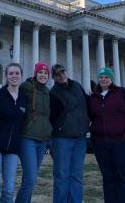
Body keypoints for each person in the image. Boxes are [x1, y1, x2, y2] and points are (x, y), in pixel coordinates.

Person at [88, 67, 125, 203]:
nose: (103, 79)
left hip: (123, 142)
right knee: (107, 178)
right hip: (101, 143)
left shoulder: (123, 93)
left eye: (106, 77)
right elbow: (90, 118)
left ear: (111, 78)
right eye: (101, 77)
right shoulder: (94, 97)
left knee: (121, 177)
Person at [0, 63, 27, 203]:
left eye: (17, 73)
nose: (14, 76)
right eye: (11, 73)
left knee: (9, 189)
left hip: (13, 149)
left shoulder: (23, 99)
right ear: (6, 76)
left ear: (21, 76)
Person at [49, 63, 90, 203]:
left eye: (62, 72)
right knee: (61, 175)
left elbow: (88, 104)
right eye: (57, 74)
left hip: (80, 138)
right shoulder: (53, 93)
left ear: (65, 72)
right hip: (62, 138)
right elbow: (51, 117)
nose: (61, 76)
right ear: (53, 77)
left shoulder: (77, 86)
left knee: (77, 175)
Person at [15, 62, 52, 203]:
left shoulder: (47, 91)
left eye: (45, 73)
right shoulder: (26, 86)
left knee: (31, 178)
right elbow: (12, 92)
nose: (43, 75)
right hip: (28, 136)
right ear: (35, 74)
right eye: (40, 72)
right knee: (30, 178)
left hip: (42, 138)